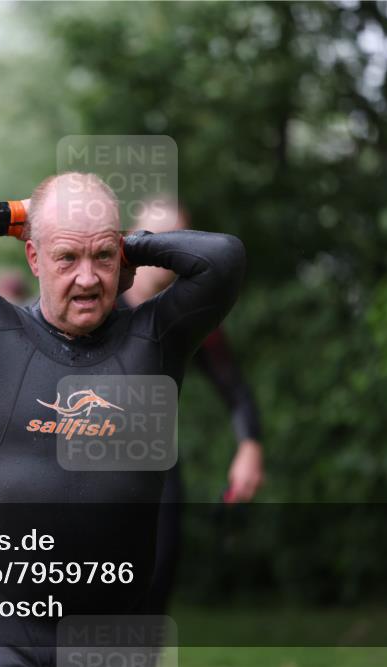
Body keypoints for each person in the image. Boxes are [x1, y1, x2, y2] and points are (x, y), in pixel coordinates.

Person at [0, 172, 246, 666]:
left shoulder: (156, 337)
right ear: (34, 257)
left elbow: (224, 257)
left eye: (103, 259)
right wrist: (16, 215)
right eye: (66, 257)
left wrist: (122, 242)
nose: (87, 278)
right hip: (8, 632)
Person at [121, 197, 264, 617]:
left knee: (151, 601)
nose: (164, 249)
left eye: (175, 240)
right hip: (83, 469)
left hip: (158, 476)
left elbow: (235, 389)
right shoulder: (95, 299)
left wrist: (250, 445)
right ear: (132, 236)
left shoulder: (186, 317)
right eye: (154, 237)